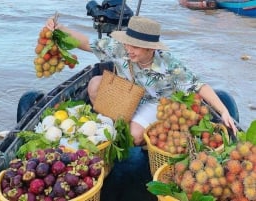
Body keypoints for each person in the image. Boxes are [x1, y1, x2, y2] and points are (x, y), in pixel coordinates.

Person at [46, 15, 237, 146]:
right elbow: (86, 43)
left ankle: (145, 144)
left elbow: (199, 86)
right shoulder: (122, 48)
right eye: (129, 43)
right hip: (127, 94)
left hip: (153, 103)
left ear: (151, 49)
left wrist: (224, 111)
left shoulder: (168, 64)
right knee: (95, 83)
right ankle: (110, 124)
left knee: (135, 136)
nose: (130, 50)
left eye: (136, 47)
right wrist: (59, 29)